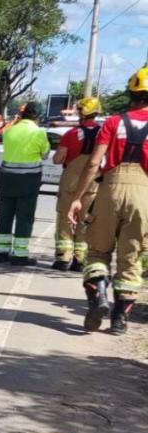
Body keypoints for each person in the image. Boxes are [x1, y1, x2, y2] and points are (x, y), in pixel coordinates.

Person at [68, 67, 148, 334]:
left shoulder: (113, 122)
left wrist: (77, 198)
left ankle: (99, 294)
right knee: (131, 258)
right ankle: (119, 320)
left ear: (131, 93)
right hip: (143, 194)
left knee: (97, 252)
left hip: (110, 190)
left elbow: (93, 164)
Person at [0, 102, 50, 266]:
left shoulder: (10, 130)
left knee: (5, 216)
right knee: (24, 218)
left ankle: (0, 253)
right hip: (28, 180)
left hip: (7, 179)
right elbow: (45, 154)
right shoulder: (38, 132)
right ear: (37, 116)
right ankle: (19, 255)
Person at [51, 97, 102, 271]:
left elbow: (58, 159)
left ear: (80, 113)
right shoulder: (104, 133)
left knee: (65, 218)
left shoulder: (71, 134)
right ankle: (80, 259)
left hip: (70, 183)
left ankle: (63, 258)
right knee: (85, 222)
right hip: (93, 184)